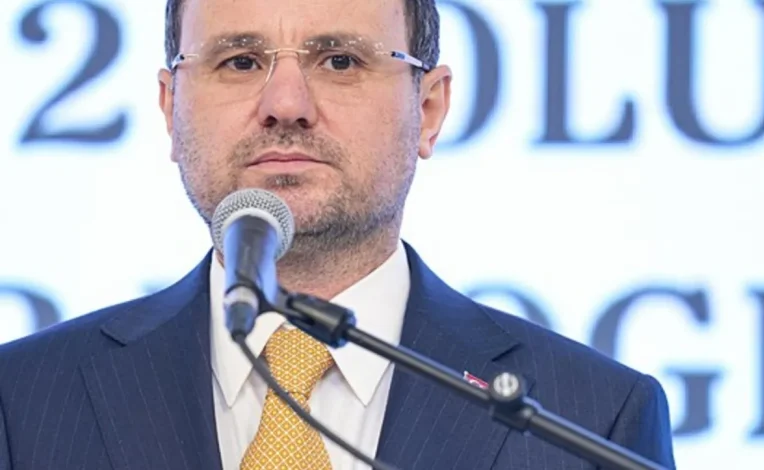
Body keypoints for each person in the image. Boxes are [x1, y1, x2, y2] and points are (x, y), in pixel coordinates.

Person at [0, 0, 677, 468]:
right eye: (240, 61)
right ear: (171, 108)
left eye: (341, 61)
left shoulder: (592, 420)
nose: (285, 105)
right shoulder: (23, 401)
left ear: (429, 109)